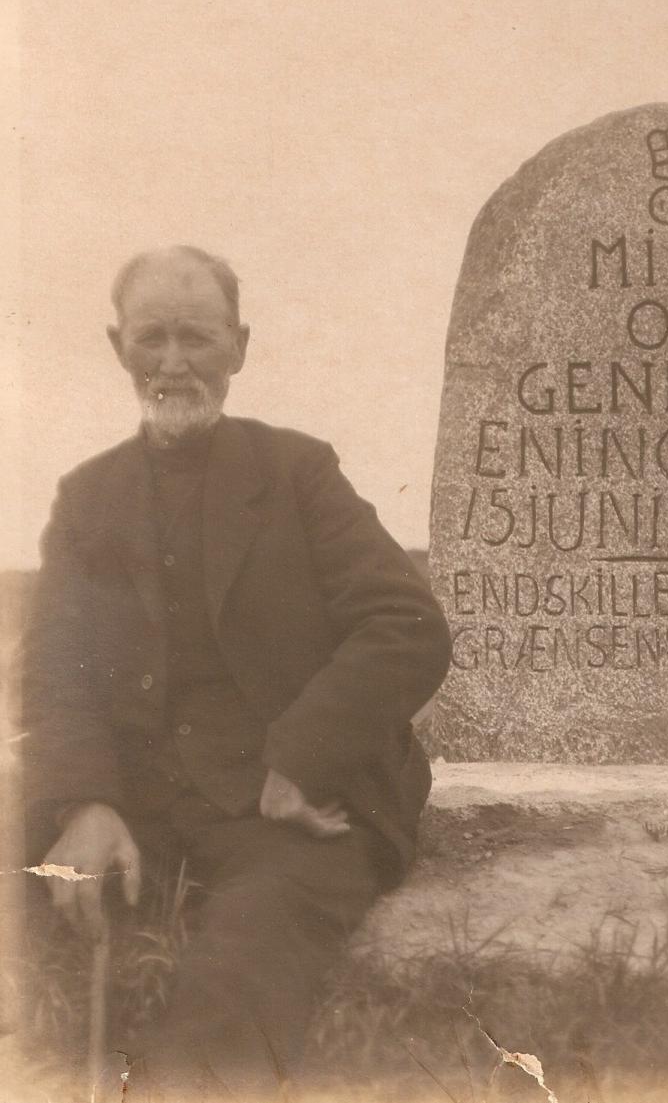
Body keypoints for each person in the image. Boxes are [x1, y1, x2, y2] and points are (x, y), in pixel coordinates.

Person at [21, 245, 452, 1100]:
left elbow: (407, 626)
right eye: (152, 337)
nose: (173, 362)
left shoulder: (299, 474)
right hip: (143, 801)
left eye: (197, 337)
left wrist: (300, 760)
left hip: (296, 810)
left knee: (241, 964)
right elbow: (57, 668)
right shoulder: (86, 497)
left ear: (239, 347)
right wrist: (85, 803)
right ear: (117, 347)